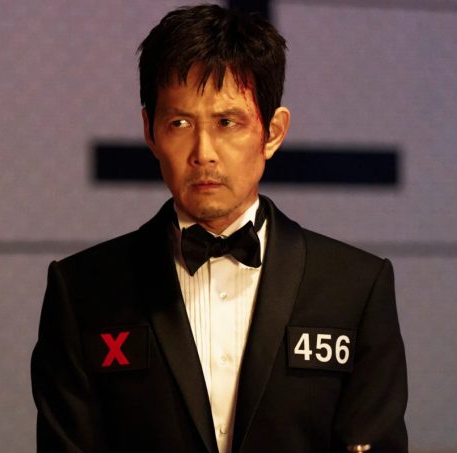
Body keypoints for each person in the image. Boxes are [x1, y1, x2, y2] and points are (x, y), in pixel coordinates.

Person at [31, 4, 407, 452]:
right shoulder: (82, 290)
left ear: (273, 132)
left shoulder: (355, 287)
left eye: (228, 122)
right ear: (150, 131)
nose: (203, 152)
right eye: (180, 123)